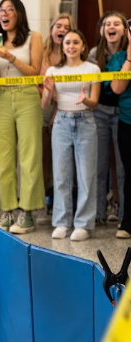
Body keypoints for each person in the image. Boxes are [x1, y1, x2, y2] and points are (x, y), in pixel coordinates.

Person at [0, 0, 44, 233]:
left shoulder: (33, 37)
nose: (4, 14)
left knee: (29, 156)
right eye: (1, 10)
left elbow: (35, 72)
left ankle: (27, 212)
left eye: (9, 9)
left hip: (27, 97)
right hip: (2, 98)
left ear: (19, 13)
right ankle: (8, 210)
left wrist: (9, 57)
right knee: (4, 158)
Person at [42, 30, 100, 241]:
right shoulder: (52, 70)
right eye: (68, 42)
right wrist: (48, 91)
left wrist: (84, 99)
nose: (71, 46)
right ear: (62, 46)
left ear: (83, 46)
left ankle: (83, 224)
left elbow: (94, 103)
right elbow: (45, 104)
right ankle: (61, 221)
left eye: (76, 42)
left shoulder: (93, 69)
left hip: (85, 121)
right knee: (61, 175)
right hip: (61, 122)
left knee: (86, 175)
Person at [89, 11, 128, 226]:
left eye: (116, 24)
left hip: (123, 113)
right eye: (107, 24)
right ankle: (98, 212)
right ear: (102, 30)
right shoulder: (95, 53)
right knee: (99, 164)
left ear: (124, 30)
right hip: (100, 112)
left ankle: (124, 213)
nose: (111, 27)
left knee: (123, 166)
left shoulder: (128, 53)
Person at [39, 14, 74, 222]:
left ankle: (59, 200)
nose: (61, 29)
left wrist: (56, 113)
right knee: (43, 155)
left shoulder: (71, 52)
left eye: (66, 27)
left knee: (61, 157)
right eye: (58, 26)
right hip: (41, 105)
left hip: (63, 107)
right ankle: (45, 199)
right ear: (52, 29)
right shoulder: (42, 54)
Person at [110, 26, 131, 239]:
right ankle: (128, 222)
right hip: (127, 122)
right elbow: (117, 88)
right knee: (128, 174)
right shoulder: (120, 58)